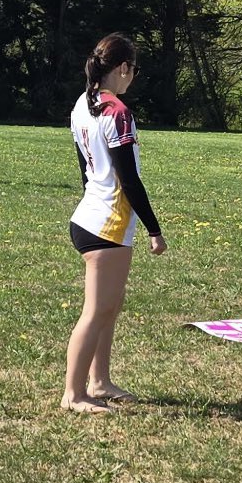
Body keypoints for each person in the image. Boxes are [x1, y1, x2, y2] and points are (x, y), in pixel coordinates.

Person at [63, 33, 167, 414]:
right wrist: (155, 230)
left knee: (110, 306)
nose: (133, 77)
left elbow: (84, 169)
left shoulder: (81, 105)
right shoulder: (117, 112)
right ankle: (74, 394)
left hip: (91, 216)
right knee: (96, 310)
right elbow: (129, 180)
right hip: (106, 224)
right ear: (122, 68)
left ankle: (100, 381)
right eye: (133, 70)